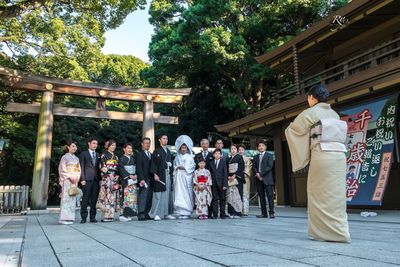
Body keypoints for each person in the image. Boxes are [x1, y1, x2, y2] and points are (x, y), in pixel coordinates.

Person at [285, 84, 351, 243]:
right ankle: (340, 232)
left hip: (322, 155)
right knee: (336, 195)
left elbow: (293, 130)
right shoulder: (334, 114)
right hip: (339, 156)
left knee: (319, 194)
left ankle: (322, 233)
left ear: (312, 97)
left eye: (308, 97)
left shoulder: (310, 112)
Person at [150, 134, 175, 221]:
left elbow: (170, 163)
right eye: (163, 139)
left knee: (168, 194)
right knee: (158, 195)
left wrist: (170, 167)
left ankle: (167, 213)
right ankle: (156, 214)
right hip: (160, 175)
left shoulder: (168, 151)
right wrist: (154, 174)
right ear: (159, 140)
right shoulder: (156, 151)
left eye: (166, 139)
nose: (165, 140)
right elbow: (153, 163)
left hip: (167, 174)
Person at [173, 135, 196, 219]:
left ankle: (187, 211)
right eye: (182, 148)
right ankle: (180, 211)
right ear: (179, 148)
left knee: (186, 193)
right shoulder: (177, 157)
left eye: (185, 148)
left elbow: (192, 166)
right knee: (179, 193)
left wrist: (185, 168)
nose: (183, 149)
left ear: (187, 148)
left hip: (186, 177)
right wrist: (177, 168)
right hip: (179, 177)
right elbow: (174, 166)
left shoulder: (190, 157)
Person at [58, 141, 81, 225]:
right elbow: (62, 169)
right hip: (67, 179)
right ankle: (63, 218)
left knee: (72, 198)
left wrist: (77, 177)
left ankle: (70, 218)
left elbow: (79, 170)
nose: (74, 148)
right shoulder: (64, 157)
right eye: (72, 146)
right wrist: (70, 176)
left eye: (75, 147)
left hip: (74, 180)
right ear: (68, 147)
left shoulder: (77, 158)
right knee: (66, 198)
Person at [97, 140, 119, 222]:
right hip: (106, 178)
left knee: (112, 197)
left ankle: (111, 215)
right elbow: (102, 166)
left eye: (114, 145)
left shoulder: (116, 157)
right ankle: (105, 216)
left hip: (114, 179)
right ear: (108, 146)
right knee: (106, 197)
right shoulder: (104, 155)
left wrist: (117, 175)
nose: (113, 147)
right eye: (112, 145)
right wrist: (109, 174)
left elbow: (118, 168)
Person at [79, 138, 100, 223]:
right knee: (85, 199)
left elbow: (100, 168)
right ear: (89, 143)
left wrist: (100, 179)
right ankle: (83, 217)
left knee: (94, 200)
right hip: (86, 180)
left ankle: (92, 217)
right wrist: (82, 179)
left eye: (96, 144)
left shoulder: (98, 155)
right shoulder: (83, 154)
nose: (95, 145)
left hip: (96, 180)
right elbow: (81, 167)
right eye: (93, 143)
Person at [253, 140, 275, 219]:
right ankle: (264, 213)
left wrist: (261, 174)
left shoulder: (269, 155)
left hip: (267, 179)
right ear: (257, 147)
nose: (261, 147)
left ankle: (271, 213)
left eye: (262, 145)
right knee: (261, 197)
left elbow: (270, 166)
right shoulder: (255, 157)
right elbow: (254, 167)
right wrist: (257, 174)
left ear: (265, 147)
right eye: (259, 146)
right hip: (258, 179)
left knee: (270, 197)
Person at [118, 143, 138, 222]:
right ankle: (123, 214)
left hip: (133, 180)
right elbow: (121, 168)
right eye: (128, 148)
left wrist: (136, 175)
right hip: (126, 180)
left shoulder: (133, 159)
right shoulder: (122, 159)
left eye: (131, 148)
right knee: (125, 198)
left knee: (132, 198)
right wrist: (129, 176)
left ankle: (129, 214)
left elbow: (135, 168)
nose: (130, 150)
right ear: (124, 149)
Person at [136, 137, 153, 221]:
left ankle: (146, 213)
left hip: (151, 178)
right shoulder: (139, 154)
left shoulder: (151, 154)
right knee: (143, 196)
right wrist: (141, 179)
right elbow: (139, 168)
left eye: (149, 143)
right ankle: (141, 213)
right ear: (142, 144)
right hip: (143, 179)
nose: (147, 144)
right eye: (146, 143)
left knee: (149, 197)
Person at [227, 144, 245, 218]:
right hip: (230, 178)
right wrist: (228, 176)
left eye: (234, 149)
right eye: (232, 149)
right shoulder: (228, 159)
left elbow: (241, 167)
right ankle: (231, 212)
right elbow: (227, 169)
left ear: (237, 150)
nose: (233, 150)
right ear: (230, 150)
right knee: (230, 195)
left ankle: (237, 213)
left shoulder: (239, 157)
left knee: (237, 195)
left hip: (237, 178)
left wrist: (235, 175)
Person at [209, 149, 228, 219]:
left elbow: (225, 173)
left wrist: (225, 185)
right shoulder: (211, 162)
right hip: (213, 184)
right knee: (214, 199)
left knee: (222, 199)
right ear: (213, 155)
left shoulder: (223, 162)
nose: (217, 155)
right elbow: (209, 173)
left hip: (222, 183)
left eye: (219, 153)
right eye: (216, 153)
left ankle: (222, 214)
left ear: (221, 155)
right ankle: (215, 214)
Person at [238, 144, 252, 216]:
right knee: (237, 194)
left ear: (244, 151)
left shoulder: (247, 159)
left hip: (245, 178)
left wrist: (242, 173)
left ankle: (245, 211)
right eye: (239, 150)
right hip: (237, 178)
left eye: (242, 150)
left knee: (245, 194)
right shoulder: (236, 158)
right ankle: (238, 210)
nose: (240, 151)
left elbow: (248, 168)